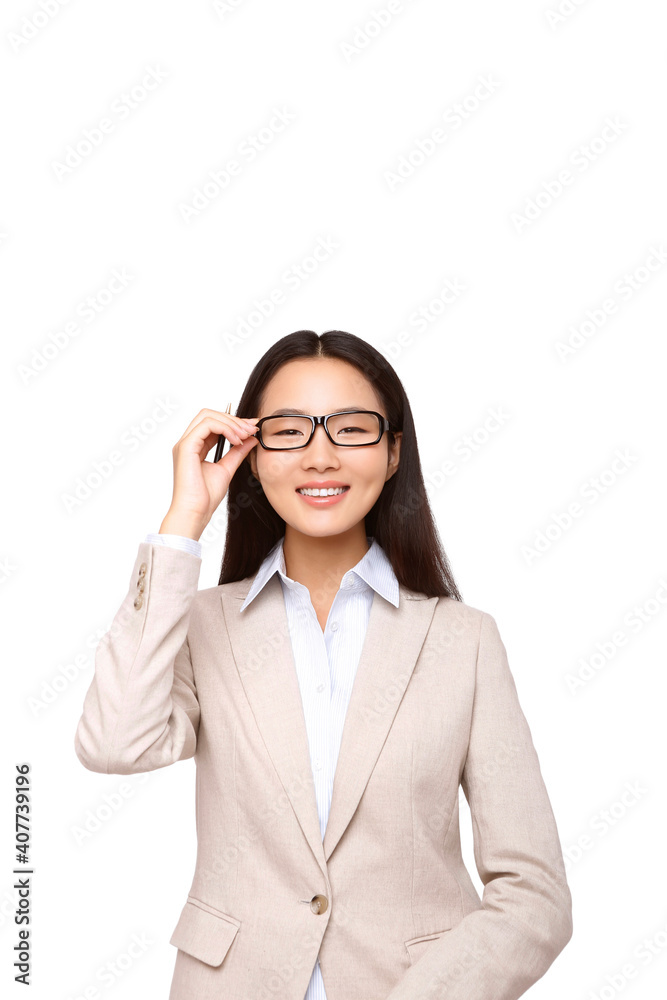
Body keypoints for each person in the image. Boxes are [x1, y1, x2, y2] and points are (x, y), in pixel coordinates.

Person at [74, 330, 573, 1000]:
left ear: (394, 451)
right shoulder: (199, 625)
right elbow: (114, 744)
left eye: (351, 428)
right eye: (287, 431)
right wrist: (184, 519)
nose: (319, 455)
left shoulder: (465, 642)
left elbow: (534, 896)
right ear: (249, 455)